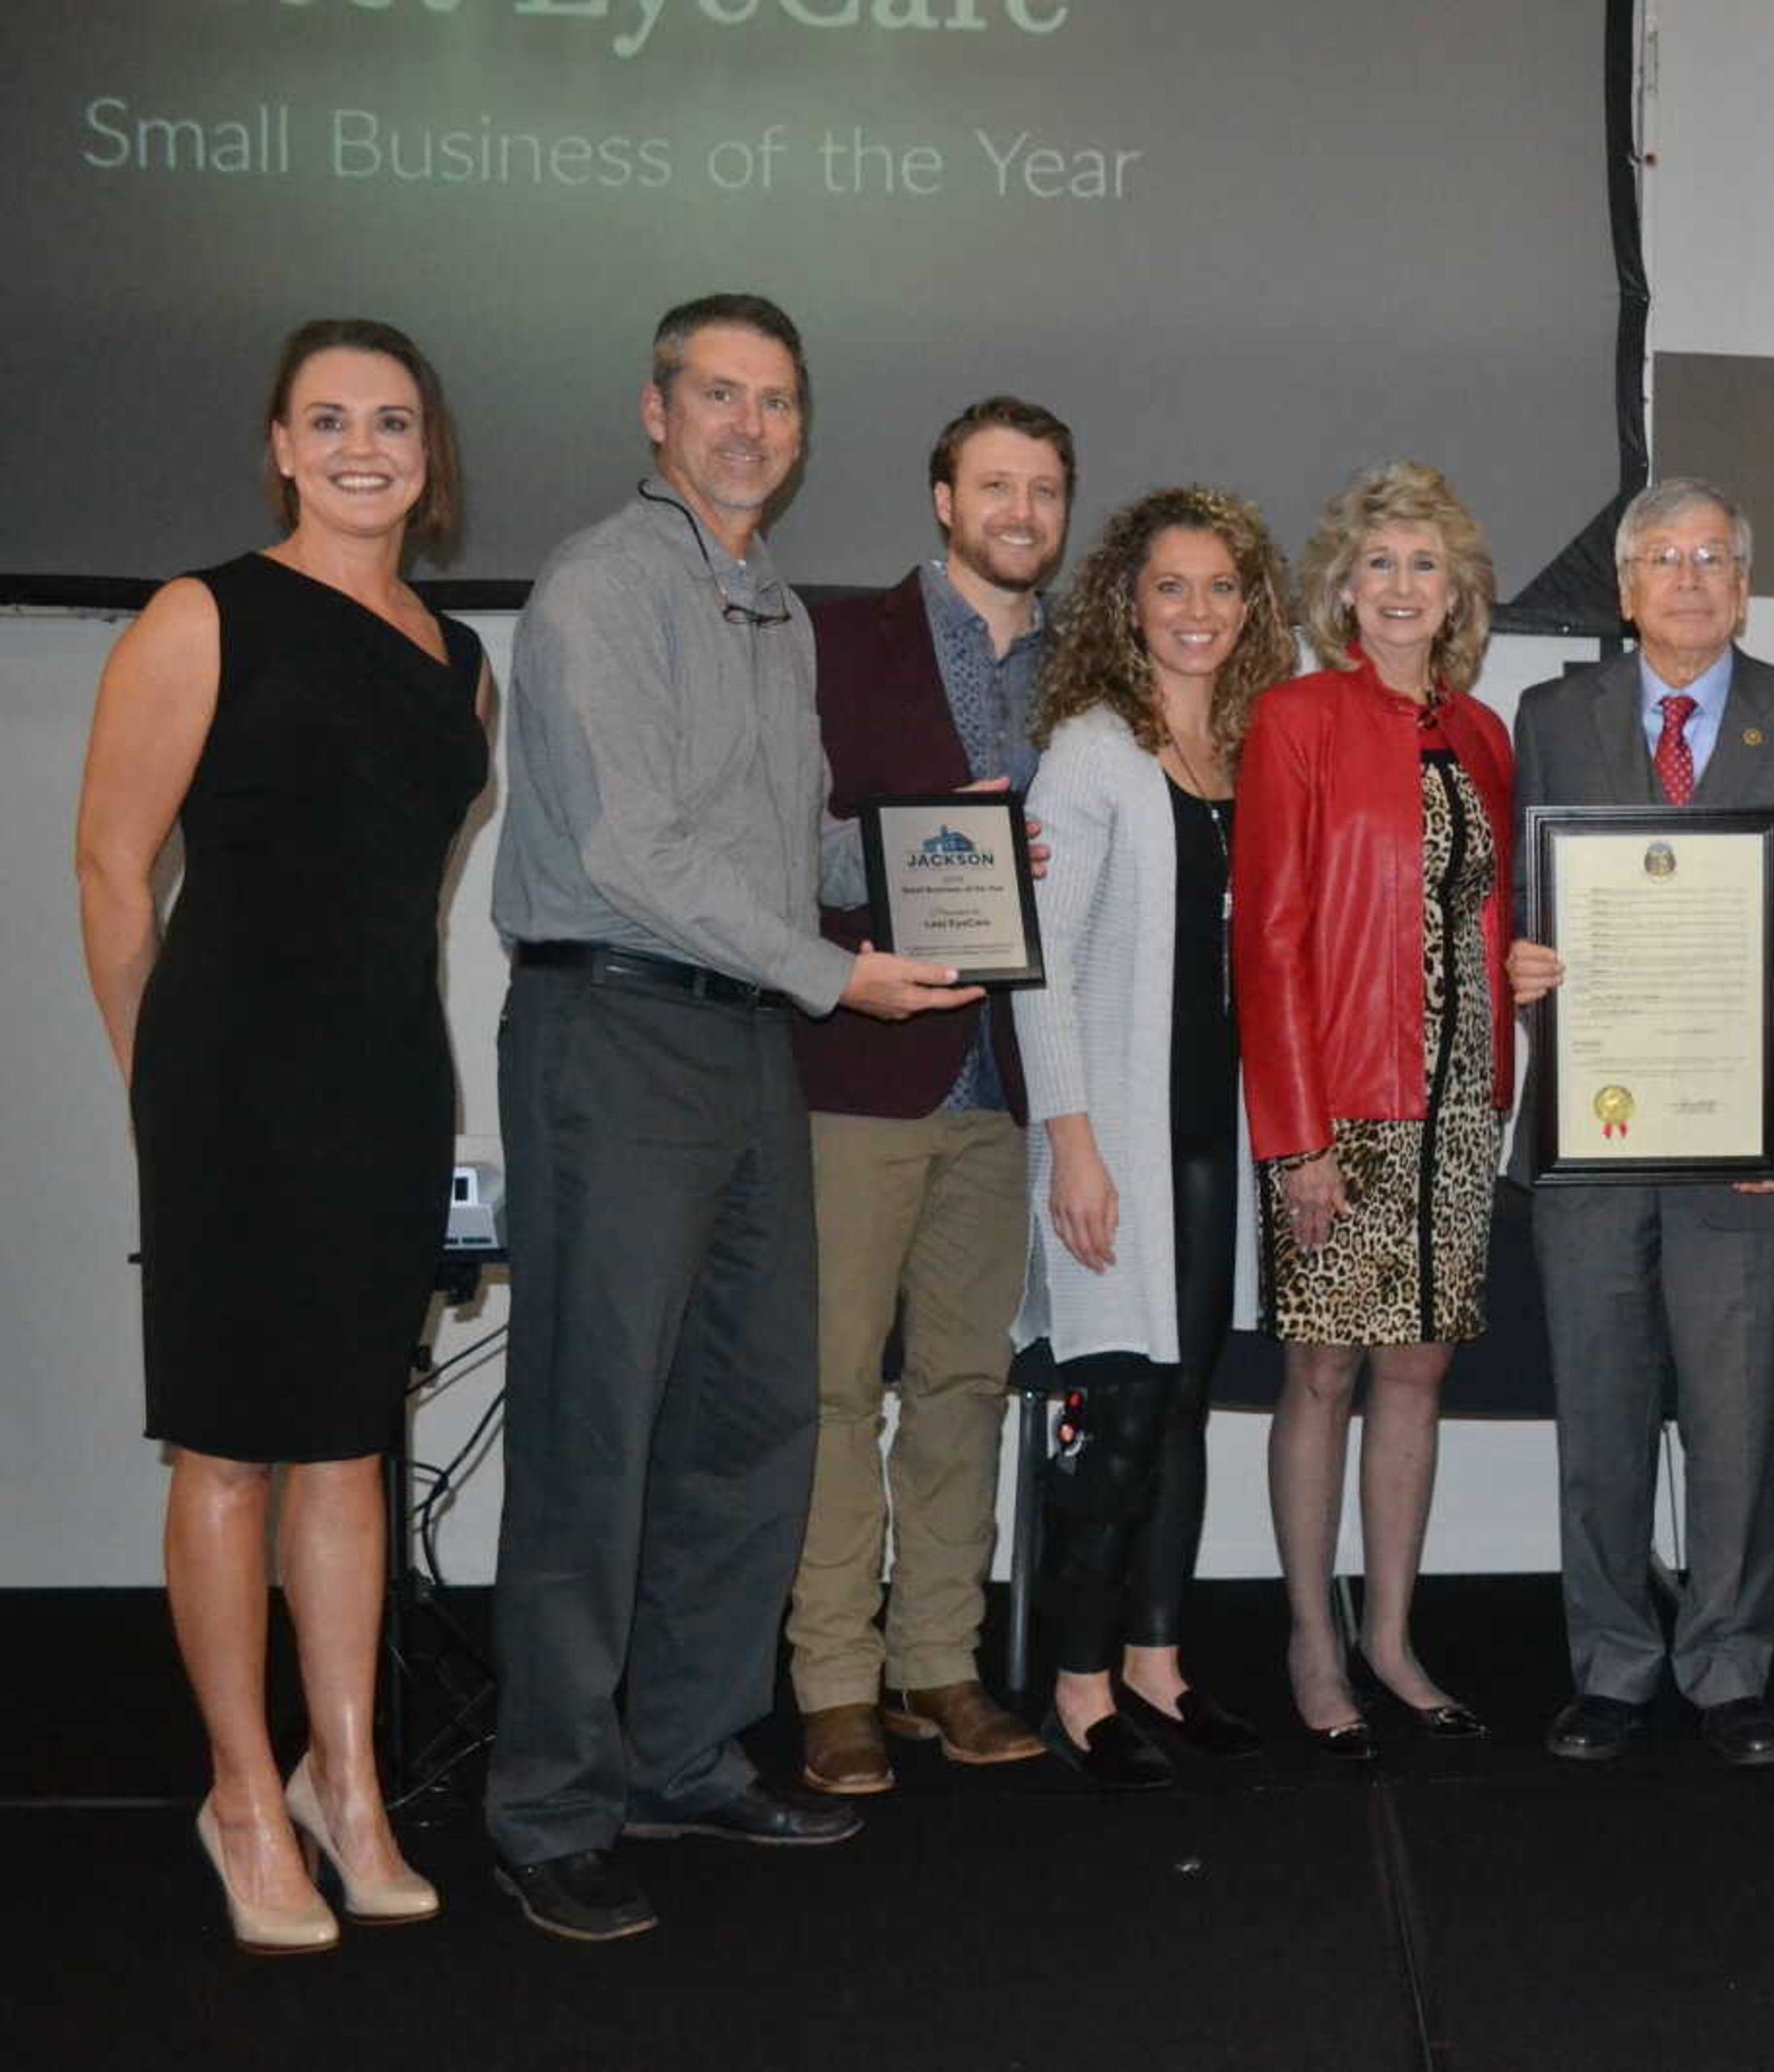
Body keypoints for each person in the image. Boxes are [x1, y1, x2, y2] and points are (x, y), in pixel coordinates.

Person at [487, 293, 982, 1942]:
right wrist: (838, 981)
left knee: (754, 1420)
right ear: (657, 410)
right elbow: (633, 856)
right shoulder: (599, 586)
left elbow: (801, 855)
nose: (749, 425)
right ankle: (549, 1806)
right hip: (614, 1035)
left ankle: (683, 1757)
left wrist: (943, 854)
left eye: (776, 401)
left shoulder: (770, 607)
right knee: (595, 1435)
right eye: (719, 395)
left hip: (746, 1045)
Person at [76, 316, 485, 1954]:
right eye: (329, 419)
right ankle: (243, 1796)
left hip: (388, 1080)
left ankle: (348, 1788)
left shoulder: (463, 660)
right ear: (279, 443)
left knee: (349, 1444)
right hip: (229, 1083)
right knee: (233, 1447)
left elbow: (403, 888)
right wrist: (155, 1085)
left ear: (428, 454)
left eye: (393, 419)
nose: (363, 444)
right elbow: (116, 873)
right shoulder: (203, 614)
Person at [1501, 477, 1774, 1769]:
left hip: (1747, 1137)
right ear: (1623, 587)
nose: (1691, 576)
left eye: (1715, 555)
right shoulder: (1547, 718)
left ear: (1746, 583)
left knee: (1736, 1410)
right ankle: (1609, 1663)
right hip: (1588, 1136)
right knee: (1597, 1406)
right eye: (1664, 556)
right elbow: (1502, 897)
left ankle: (1726, 1664)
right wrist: (1517, 962)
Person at [786, 397, 1076, 1796]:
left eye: (1046, 490)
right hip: (860, 1066)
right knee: (837, 1387)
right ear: (942, 499)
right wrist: (919, 850)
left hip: (1008, 1078)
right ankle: (835, 1681)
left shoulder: (1086, 671)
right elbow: (779, 841)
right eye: (996, 486)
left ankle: (938, 1663)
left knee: (966, 1381)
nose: (1021, 512)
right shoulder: (836, 641)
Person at [1012, 486, 1298, 1787]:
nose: (1197, 610)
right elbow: (1042, 971)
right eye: (1170, 585)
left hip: (1212, 1144)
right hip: (1115, 1141)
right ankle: (1079, 1688)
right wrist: (1073, 1146)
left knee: (1183, 1407)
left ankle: (1158, 1666)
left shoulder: (1248, 755)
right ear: (1129, 601)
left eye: (1221, 587)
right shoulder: (1089, 750)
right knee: (1116, 1414)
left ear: (1254, 609)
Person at [1235, 460, 1515, 1756]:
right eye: (1379, 563)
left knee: (1419, 1366)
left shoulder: (1483, 733)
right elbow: (1271, 944)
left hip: (1459, 1101)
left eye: (1425, 564)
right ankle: (1311, 1635)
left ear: (1456, 589)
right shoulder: (1295, 720)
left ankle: (1393, 1638)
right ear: (1341, 586)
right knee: (1323, 1367)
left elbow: (1482, 918)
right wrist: (1294, 1138)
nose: (1402, 586)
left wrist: (1528, 974)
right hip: (1339, 1104)